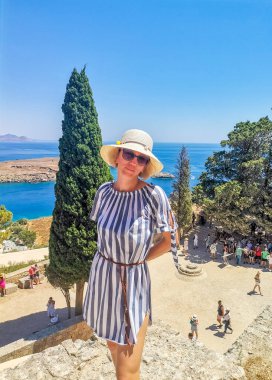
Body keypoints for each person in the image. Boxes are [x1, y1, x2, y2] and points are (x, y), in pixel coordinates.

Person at [83, 129, 179, 380]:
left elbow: (170, 241)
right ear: (117, 157)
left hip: (132, 283)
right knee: (112, 343)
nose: (133, 162)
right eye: (129, 154)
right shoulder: (103, 192)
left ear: (145, 165)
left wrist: (138, 259)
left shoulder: (154, 195)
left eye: (141, 158)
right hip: (102, 277)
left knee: (128, 370)